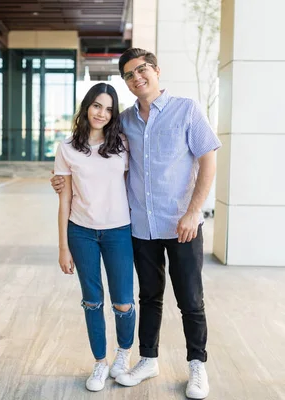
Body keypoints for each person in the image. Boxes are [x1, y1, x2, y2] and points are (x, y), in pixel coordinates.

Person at [51, 48, 221, 399]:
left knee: (190, 299)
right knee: (150, 297)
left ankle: (197, 365)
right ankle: (148, 359)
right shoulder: (124, 122)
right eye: (129, 74)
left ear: (157, 70)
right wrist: (58, 181)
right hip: (140, 227)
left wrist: (194, 212)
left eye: (142, 70)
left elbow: (208, 162)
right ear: (125, 83)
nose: (137, 77)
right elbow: (90, 162)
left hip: (181, 224)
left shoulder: (186, 109)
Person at [55, 82, 136, 392]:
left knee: (123, 302)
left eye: (108, 108)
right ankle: (100, 363)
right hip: (81, 232)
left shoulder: (123, 145)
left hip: (118, 231)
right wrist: (63, 247)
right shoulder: (67, 149)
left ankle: (123, 357)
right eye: (97, 106)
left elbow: (133, 184)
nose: (102, 113)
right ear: (87, 107)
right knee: (91, 301)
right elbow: (64, 200)